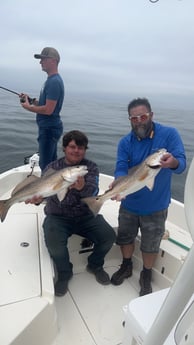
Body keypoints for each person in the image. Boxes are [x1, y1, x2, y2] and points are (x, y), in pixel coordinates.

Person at [110, 97, 186, 296]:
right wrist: (119, 184)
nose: (139, 121)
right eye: (134, 118)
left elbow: (182, 163)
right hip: (129, 201)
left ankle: (146, 273)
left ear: (151, 115)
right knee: (125, 237)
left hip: (156, 205)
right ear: (130, 120)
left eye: (143, 116)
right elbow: (120, 167)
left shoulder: (169, 134)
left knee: (150, 243)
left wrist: (172, 163)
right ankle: (126, 265)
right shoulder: (125, 142)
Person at [27, 130, 116, 297]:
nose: (76, 151)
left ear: (85, 150)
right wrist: (37, 199)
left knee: (109, 236)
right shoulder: (52, 168)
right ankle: (65, 272)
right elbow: (43, 193)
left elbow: (94, 193)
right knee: (54, 245)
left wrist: (82, 187)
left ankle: (95, 265)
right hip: (57, 216)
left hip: (85, 216)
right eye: (72, 147)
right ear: (64, 148)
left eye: (81, 148)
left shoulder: (90, 167)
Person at [20, 47, 64, 171]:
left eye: (43, 59)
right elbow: (46, 104)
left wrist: (28, 107)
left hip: (49, 129)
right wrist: (32, 101)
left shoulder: (54, 82)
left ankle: (47, 190)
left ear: (53, 61)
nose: (40, 62)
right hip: (50, 128)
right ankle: (53, 189)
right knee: (52, 165)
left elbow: (49, 110)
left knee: (46, 166)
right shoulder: (51, 80)